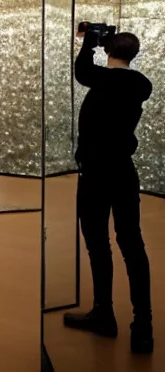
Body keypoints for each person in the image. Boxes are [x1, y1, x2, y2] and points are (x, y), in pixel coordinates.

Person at [63, 30, 154, 354]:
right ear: (134, 53)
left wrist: (88, 41)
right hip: (123, 173)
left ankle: (104, 313)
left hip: (95, 176)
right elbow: (94, 74)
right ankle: (143, 326)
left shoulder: (100, 79)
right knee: (132, 244)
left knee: (98, 244)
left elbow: (82, 70)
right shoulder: (141, 85)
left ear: (108, 50)